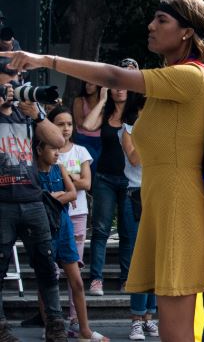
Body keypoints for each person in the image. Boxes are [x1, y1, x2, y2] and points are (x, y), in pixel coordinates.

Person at [0, 0, 204, 342]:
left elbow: (113, 76)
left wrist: (45, 59)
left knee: (175, 331)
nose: (151, 25)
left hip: (178, 206)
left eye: (162, 20)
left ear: (187, 32)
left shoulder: (190, 76)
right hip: (162, 203)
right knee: (173, 329)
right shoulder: (178, 78)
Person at [0, 63, 68, 341]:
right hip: (2, 203)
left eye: (18, 80)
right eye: (10, 80)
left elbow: (57, 141)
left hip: (31, 198)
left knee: (45, 264)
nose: (15, 86)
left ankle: (55, 323)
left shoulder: (26, 112)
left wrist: (38, 115)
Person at [36, 138, 109, 342]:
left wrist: (50, 197)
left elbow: (73, 194)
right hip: (43, 230)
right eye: (52, 148)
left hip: (65, 228)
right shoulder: (32, 172)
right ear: (39, 149)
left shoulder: (59, 168)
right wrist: (56, 197)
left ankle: (84, 329)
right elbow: (34, 199)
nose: (57, 153)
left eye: (59, 149)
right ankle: (50, 325)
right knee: (47, 280)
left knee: (76, 280)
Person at [84, 78, 135, 296]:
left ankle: (126, 279)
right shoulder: (105, 113)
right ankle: (96, 279)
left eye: (123, 85)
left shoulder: (137, 114)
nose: (119, 89)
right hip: (104, 177)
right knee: (100, 230)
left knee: (127, 231)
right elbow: (87, 125)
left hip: (129, 181)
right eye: (115, 86)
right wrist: (102, 98)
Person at [117, 92, 159, 341]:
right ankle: (135, 318)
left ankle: (149, 317)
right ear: (140, 109)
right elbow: (134, 158)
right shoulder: (129, 130)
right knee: (139, 257)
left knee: (156, 258)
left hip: (159, 193)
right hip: (136, 194)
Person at [48, 106, 93, 333]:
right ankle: (51, 320)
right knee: (50, 270)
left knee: (74, 269)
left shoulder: (81, 151)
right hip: (51, 215)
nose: (65, 129)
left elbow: (87, 184)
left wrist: (65, 179)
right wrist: (73, 180)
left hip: (77, 215)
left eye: (68, 124)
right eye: (59, 124)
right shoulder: (45, 152)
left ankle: (76, 318)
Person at [72, 81, 103, 174]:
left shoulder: (104, 101)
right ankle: (88, 186)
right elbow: (80, 122)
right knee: (92, 164)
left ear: (98, 85)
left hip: (101, 139)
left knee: (101, 166)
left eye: (91, 83)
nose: (87, 86)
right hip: (83, 139)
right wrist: (95, 124)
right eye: (86, 83)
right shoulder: (80, 100)